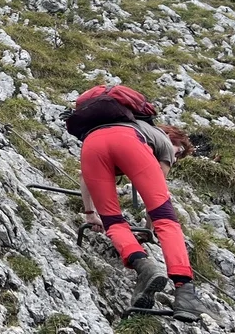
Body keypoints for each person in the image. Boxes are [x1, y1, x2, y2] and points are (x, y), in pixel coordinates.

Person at [76, 101, 212, 322]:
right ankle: (184, 290)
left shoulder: (130, 123)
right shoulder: (164, 145)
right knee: (166, 220)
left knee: (113, 221)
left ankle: (143, 266)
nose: (175, 158)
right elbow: (155, 205)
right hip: (129, 144)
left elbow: (84, 177)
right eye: (179, 154)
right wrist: (148, 231)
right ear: (173, 140)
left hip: (91, 144)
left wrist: (90, 213)